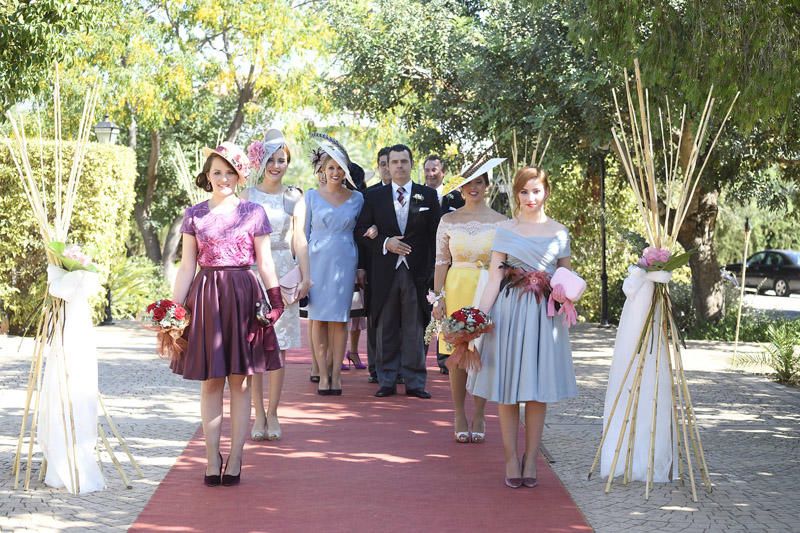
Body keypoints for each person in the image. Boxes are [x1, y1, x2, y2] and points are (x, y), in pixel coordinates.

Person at [172, 142, 284, 487]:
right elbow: (187, 264)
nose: (223, 178)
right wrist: (173, 310)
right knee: (210, 382)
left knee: (239, 382)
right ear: (207, 176)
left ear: (239, 175)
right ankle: (210, 457)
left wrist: (276, 300)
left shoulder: (253, 212)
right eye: (216, 172)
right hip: (206, 298)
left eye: (229, 172)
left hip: (243, 296)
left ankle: (235, 456)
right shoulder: (194, 214)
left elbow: (264, 261)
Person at [468, 166, 577, 488]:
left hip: (544, 317)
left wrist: (566, 299)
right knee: (506, 390)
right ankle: (511, 459)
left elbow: (567, 279)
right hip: (509, 314)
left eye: (537, 191)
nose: (531, 198)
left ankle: (531, 458)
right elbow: (493, 280)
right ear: (516, 193)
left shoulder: (560, 232)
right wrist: (476, 322)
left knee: (536, 391)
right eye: (524, 191)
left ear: (547, 192)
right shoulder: (505, 231)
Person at [355, 144, 441, 399]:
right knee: (386, 325)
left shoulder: (427, 196)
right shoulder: (374, 197)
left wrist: (434, 273)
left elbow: (437, 235)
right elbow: (361, 231)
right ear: (388, 166)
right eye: (395, 162)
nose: (399, 166)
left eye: (404, 161)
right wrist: (385, 242)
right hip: (385, 270)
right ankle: (387, 379)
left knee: (415, 325)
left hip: (417, 271)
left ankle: (415, 381)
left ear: (411, 164)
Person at [431, 158, 507, 443]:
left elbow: (506, 262)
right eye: (468, 182)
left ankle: (479, 412)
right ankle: (459, 414)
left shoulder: (502, 222)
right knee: (457, 352)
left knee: (483, 352)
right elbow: (441, 262)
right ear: (460, 187)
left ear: (487, 186)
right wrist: (438, 299)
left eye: (478, 182)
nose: (473, 187)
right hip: (457, 286)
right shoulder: (448, 220)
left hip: (488, 289)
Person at [243, 129, 311, 442]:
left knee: (279, 348)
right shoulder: (247, 195)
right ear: (261, 161)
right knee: (254, 347)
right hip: (254, 275)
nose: (276, 165)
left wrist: (306, 275)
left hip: (284, 275)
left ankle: (273, 412)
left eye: (281, 160)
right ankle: (257, 413)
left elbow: (300, 238)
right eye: (271, 159)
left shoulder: (295, 197)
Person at [305, 133, 364, 396]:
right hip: (316, 261)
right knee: (317, 318)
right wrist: (301, 269)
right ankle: (322, 373)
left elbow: (363, 233)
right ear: (322, 170)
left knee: (340, 320)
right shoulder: (310, 197)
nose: (336, 172)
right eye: (331, 167)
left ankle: (337, 375)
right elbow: (303, 235)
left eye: (340, 167)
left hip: (344, 260)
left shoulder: (358, 199)